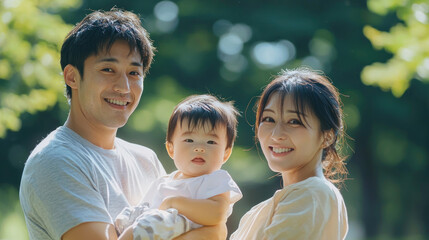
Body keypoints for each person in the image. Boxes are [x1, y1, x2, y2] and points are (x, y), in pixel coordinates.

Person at [19, 8, 227, 240]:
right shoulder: (56, 161)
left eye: (133, 73)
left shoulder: (145, 159)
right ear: (72, 77)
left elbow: (215, 229)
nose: (124, 87)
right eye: (108, 70)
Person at [230, 67, 349, 240]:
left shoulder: (312, 194)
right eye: (268, 119)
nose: (276, 135)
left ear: (327, 136)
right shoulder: (263, 209)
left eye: (294, 121)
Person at [115, 94, 242, 240]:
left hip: (183, 225)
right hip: (157, 226)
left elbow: (217, 214)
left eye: (210, 142)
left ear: (225, 153)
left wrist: (174, 202)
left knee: (137, 231)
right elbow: (147, 208)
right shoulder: (164, 181)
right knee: (126, 220)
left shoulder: (216, 180)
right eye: (189, 140)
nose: (199, 148)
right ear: (171, 149)